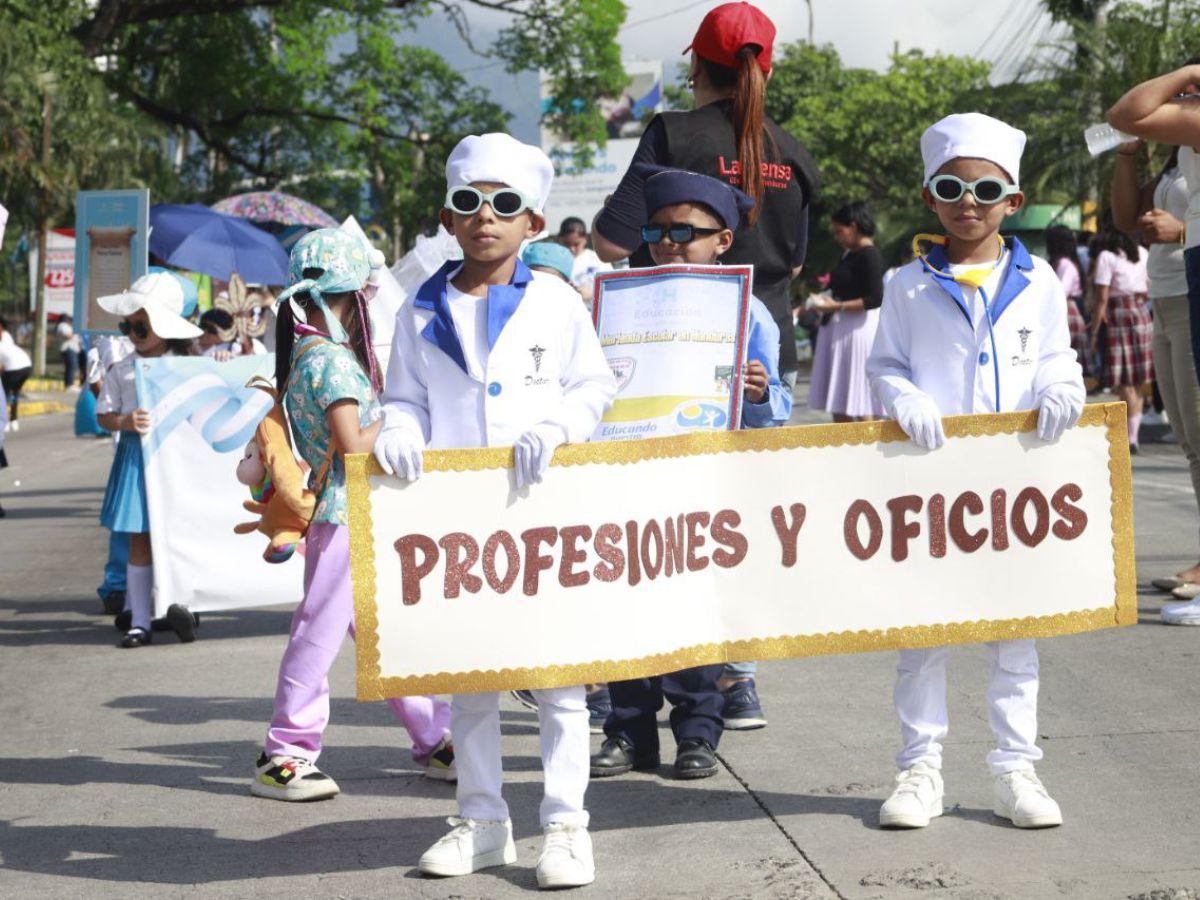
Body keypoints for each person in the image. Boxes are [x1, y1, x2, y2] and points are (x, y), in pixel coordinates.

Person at [374, 132, 616, 888]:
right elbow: (403, 396)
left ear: (533, 223)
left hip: (543, 510)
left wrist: (560, 426)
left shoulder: (558, 301)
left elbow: (594, 386)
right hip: (458, 520)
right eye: (470, 204)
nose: (487, 218)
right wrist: (402, 430)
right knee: (470, 677)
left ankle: (566, 825)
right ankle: (481, 820)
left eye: (505, 205)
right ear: (447, 218)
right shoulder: (418, 308)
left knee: (558, 681)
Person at [866, 113, 1085, 831]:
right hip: (928, 483)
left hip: (1013, 484)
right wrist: (903, 397)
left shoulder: (1041, 283)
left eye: (985, 188)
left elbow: (1055, 355)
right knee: (923, 632)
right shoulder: (904, 285)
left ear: (1012, 200)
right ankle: (918, 769)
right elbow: (886, 364)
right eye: (952, 186)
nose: (969, 201)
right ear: (930, 195)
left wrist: (1064, 387)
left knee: (1015, 632)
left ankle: (1014, 768)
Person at [590, 165, 790, 777]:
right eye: (657, 230)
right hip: (625, 476)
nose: (671, 242)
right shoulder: (617, 301)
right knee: (625, 605)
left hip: (706, 481)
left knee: (695, 607)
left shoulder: (746, 311)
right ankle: (628, 730)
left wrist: (757, 393)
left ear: (722, 240)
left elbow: (774, 411)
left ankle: (698, 731)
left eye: (687, 231)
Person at [251, 229, 454, 802]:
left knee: (379, 633)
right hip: (347, 513)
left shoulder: (307, 354)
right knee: (321, 632)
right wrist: (401, 417)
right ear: (354, 294)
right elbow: (357, 445)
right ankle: (285, 751)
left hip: (344, 513)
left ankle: (435, 736)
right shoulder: (336, 363)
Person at [591, 1, 818, 390]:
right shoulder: (795, 150)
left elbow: (611, 244)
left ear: (696, 65)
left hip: (681, 350)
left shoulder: (670, 133)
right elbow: (793, 267)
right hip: (769, 359)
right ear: (769, 73)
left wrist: (611, 208)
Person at [95, 273, 204, 648]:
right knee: (140, 540)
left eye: (140, 325)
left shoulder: (185, 366)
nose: (132, 332)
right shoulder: (121, 370)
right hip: (136, 460)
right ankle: (139, 619)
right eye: (128, 325)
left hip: (175, 462)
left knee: (177, 536)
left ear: (164, 327)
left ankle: (181, 605)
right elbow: (104, 413)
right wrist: (124, 421)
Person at [807, 201, 886, 423]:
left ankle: (867, 449)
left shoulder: (869, 255)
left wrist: (837, 306)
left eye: (839, 231)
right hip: (840, 329)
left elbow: (875, 298)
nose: (837, 237)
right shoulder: (849, 254)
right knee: (841, 398)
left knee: (860, 398)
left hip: (857, 330)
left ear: (853, 226)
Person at [1090, 225, 1153, 453]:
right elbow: (1148, 287)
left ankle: (1128, 438)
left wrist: (1095, 330)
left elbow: (1102, 298)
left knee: (1125, 380)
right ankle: (1133, 436)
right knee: (1136, 381)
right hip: (1142, 314)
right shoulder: (1143, 254)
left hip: (1119, 316)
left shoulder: (1107, 257)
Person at [1045, 225, 1090, 370]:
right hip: (1067, 310)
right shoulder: (1062, 263)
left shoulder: (1065, 264)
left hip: (1067, 311)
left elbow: (1061, 293)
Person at [557, 217, 611, 304]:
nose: (572, 249)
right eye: (567, 244)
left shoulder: (598, 259)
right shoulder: (555, 262)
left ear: (585, 238)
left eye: (576, 244)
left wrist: (593, 294)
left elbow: (611, 286)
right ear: (560, 239)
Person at [0, 316, 33, 431]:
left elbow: (2, 366)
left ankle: (5, 423)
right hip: (26, 365)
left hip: (14, 368)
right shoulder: (7, 336)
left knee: (4, 395)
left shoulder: (5, 338)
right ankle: (13, 420)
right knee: (13, 393)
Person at [57, 316, 84, 389]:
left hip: (74, 349)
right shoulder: (62, 325)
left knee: (74, 366)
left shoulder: (68, 326)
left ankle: (71, 384)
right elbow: (67, 335)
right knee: (71, 366)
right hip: (68, 349)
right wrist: (76, 332)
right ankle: (69, 385)